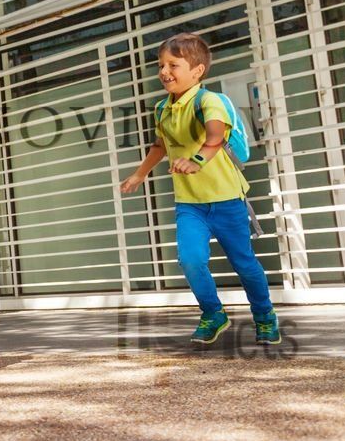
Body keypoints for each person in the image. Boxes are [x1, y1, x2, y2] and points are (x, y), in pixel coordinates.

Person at [120, 32, 280, 346]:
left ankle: (265, 316)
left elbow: (215, 136)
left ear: (197, 71)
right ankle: (213, 313)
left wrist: (196, 160)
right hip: (190, 203)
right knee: (191, 259)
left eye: (173, 65)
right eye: (161, 65)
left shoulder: (209, 100)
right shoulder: (162, 109)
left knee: (244, 263)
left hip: (227, 200)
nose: (165, 71)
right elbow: (160, 145)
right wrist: (139, 175)